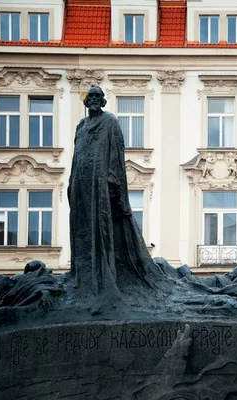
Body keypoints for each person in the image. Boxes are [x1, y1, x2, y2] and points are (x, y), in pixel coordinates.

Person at [68, 86, 165, 303]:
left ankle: (103, 277)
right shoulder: (81, 127)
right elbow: (77, 156)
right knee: (82, 230)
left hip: (99, 183)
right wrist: (71, 182)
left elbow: (116, 151)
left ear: (102, 101)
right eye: (90, 96)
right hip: (81, 185)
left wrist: (112, 179)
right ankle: (83, 278)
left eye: (97, 96)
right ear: (86, 102)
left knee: (101, 229)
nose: (93, 99)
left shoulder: (109, 122)